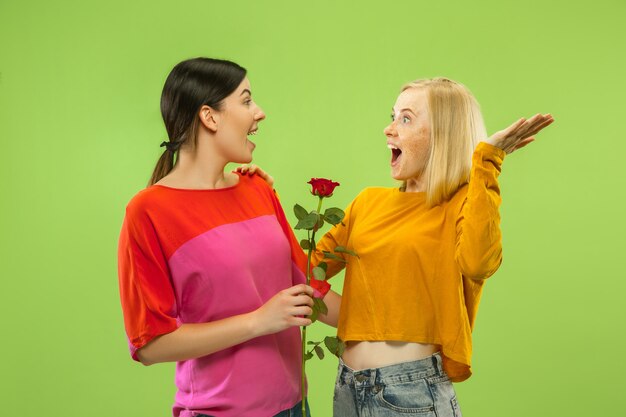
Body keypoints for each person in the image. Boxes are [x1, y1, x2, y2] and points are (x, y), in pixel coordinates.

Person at [242, 77, 553, 416]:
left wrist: (487, 162)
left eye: (406, 118)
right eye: (393, 116)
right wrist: (263, 200)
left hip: (413, 392)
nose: (389, 129)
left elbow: (479, 264)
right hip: (348, 387)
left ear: (444, 135)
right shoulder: (368, 203)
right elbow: (301, 271)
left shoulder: (462, 204)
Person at [117, 57, 329, 417]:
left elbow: (308, 285)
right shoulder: (149, 211)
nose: (259, 113)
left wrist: (408, 320)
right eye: (246, 100)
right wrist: (257, 321)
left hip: (295, 407)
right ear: (210, 117)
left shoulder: (258, 189)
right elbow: (150, 344)